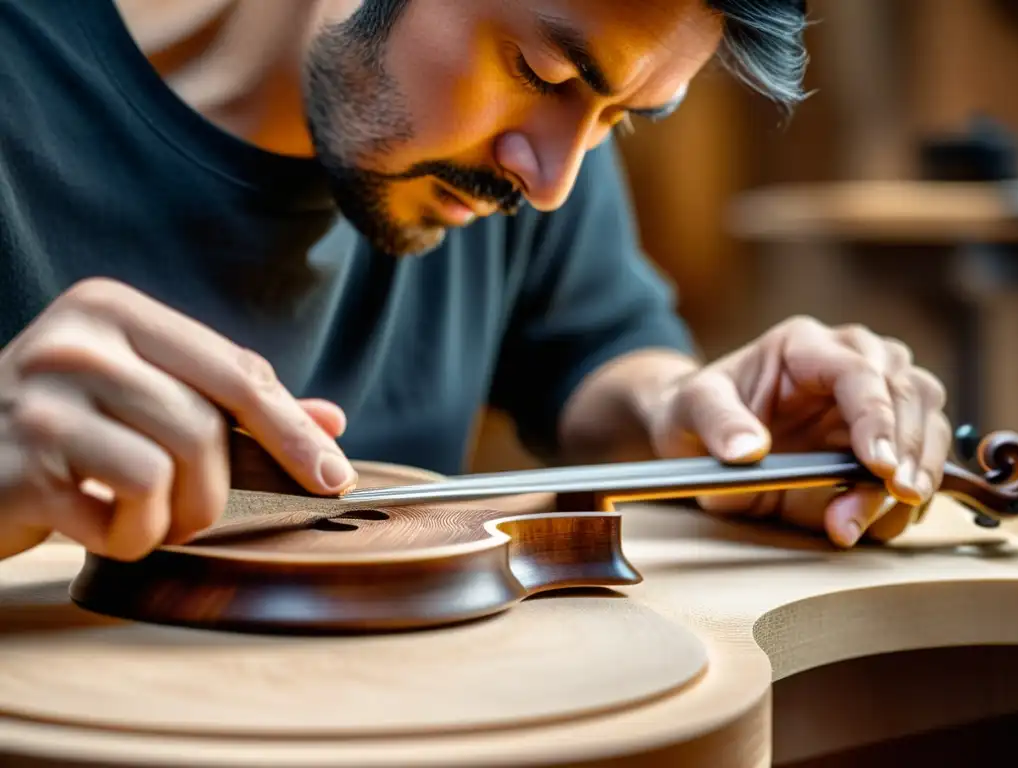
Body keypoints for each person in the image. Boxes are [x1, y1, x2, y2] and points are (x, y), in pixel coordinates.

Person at [0, 0, 950, 564]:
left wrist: (699, 418)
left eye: (623, 117)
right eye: (538, 71)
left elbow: (598, 356)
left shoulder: (528, 144)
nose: (551, 182)